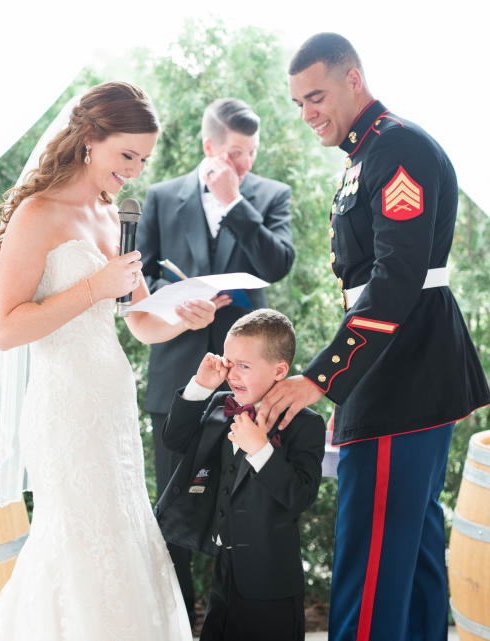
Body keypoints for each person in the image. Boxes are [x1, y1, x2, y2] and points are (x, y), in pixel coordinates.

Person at [258, 33, 490, 641]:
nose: (308, 113)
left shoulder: (398, 148)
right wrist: (347, 389)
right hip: (391, 372)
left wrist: (322, 378)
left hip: (403, 375)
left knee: (372, 567)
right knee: (410, 555)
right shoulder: (367, 156)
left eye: (316, 96)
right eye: (298, 103)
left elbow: (395, 280)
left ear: (353, 79)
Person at [0, 81, 215, 641]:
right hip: (64, 408)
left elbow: (136, 320)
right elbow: (7, 329)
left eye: (144, 159)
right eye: (126, 155)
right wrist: (93, 288)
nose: (134, 171)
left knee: (123, 536)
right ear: (89, 137)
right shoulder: (38, 214)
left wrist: (183, 317)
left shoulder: (113, 217)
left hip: (112, 405)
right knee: (77, 542)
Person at [136, 97, 294, 622]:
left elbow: (277, 264)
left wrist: (235, 204)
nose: (245, 163)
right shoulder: (161, 196)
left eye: (251, 153)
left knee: (249, 508)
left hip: (250, 383)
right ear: (210, 148)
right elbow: (143, 276)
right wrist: (180, 300)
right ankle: (179, 622)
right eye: (234, 153)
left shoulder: (270, 196)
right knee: (174, 508)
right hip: (178, 375)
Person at [154, 309, 325, 641]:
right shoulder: (220, 403)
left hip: (271, 584)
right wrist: (201, 386)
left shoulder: (306, 424)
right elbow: (175, 440)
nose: (233, 375)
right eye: (229, 363)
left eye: (244, 366)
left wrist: (261, 450)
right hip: (225, 575)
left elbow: (299, 496)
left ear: (280, 370)